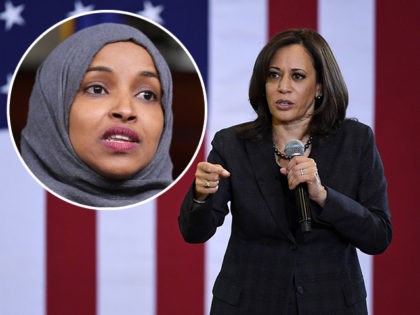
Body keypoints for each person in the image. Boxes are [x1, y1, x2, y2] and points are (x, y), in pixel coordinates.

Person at [179, 29, 392, 314]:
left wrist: (323, 196)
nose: (283, 87)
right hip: (249, 304)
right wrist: (201, 196)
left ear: (320, 87)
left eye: (298, 76)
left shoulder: (355, 141)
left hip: (331, 304)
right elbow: (195, 233)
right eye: (274, 75)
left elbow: (378, 236)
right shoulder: (232, 144)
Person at [20, 22, 173, 208]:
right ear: (53, 105)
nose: (125, 110)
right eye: (97, 89)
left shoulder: (194, 213)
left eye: (147, 95)